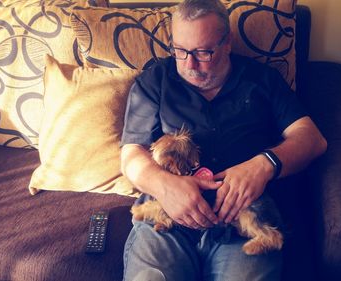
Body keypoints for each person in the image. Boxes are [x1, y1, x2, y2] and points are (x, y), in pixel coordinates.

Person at [120, 0, 327, 280]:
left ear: (227, 42)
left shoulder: (262, 80)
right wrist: (164, 185)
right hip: (168, 217)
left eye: (204, 52)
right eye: (181, 51)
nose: (190, 64)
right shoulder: (154, 82)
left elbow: (312, 139)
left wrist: (263, 165)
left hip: (244, 222)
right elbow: (132, 153)